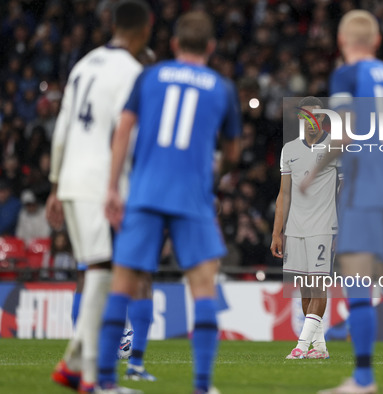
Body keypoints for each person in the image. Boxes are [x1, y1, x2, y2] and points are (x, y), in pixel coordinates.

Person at [96, 10, 241, 394]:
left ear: (174, 44)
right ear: (211, 47)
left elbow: (123, 129)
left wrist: (112, 187)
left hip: (145, 191)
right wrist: (216, 169)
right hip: (192, 195)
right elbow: (233, 150)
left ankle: (107, 383)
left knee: (122, 285)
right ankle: (202, 386)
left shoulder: (149, 76)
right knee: (204, 288)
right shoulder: (222, 87)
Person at [302, 10, 383, 394]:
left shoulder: (347, 75)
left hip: (365, 190)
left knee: (358, 283)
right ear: (376, 42)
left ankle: (363, 380)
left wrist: (314, 170)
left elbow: (343, 133)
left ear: (343, 42)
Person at [45, 1, 152, 392]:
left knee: (97, 271)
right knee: (104, 272)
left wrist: (56, 185)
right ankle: (92, 378)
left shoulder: (83, 64)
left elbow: (62, 126)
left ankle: (76, 365)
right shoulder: (133, 72)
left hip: (73, 181)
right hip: (99, 184)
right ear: (145, 30)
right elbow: (127, 133)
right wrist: (118, 188)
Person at [270, 96, 339, 360]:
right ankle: (319, 348)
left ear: (323, 118)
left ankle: (300, 346)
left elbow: (344, 190)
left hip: (324, 226)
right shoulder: (289, 150)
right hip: (295, 229)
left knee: (319, 287)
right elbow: (283, 194)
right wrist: (277, 232)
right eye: (306, 116)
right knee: (306, 290)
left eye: (316, 117)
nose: (312, 122)